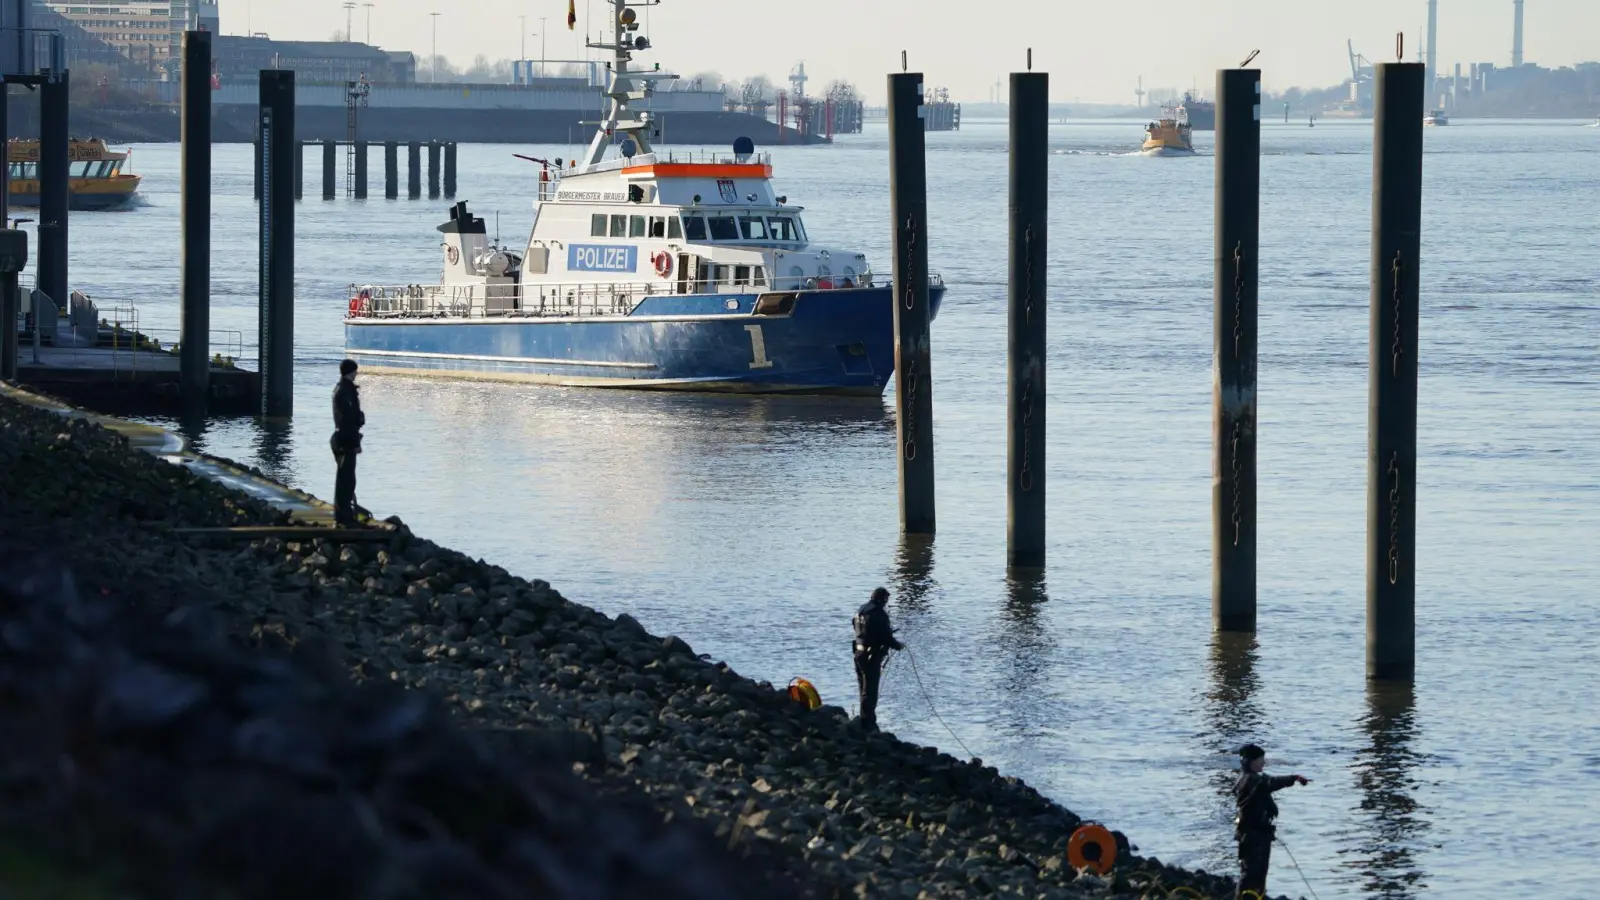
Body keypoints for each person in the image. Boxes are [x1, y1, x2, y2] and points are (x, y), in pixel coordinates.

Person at [1233, 743, 1310, 900]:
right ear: (1251, 761)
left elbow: (1267, 782)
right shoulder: (1250, 780)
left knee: (1257, 874)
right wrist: (1293, 778)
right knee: (1251, 874)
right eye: (1261, 759)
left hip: (1257, 834)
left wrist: (1293, 778)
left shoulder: (1249, 778)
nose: (1264, 763)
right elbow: (1270, 783)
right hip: (1253, 836)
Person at [852, 587, 903, 730]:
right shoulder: (880, 614)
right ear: (883, 599)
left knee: (863, 687)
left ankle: (864, 720)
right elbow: (887, 639)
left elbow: (860, 631)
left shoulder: (861, 610)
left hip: (858, 653)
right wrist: (898, 646)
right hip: (871, 656)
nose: (886, 604)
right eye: (886, 600)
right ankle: (868, 724)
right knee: (871, 690)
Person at [331, 359, 365, 527]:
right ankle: (342, 515)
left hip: (343, 438)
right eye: (355, 370)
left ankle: (345, 512)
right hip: (345, 441)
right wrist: (354, 443)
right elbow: (347, 421)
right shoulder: (345, 392)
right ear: (350, 372)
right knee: (345, 480)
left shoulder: (345, 390)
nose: (357, 373)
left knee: (347, 479)